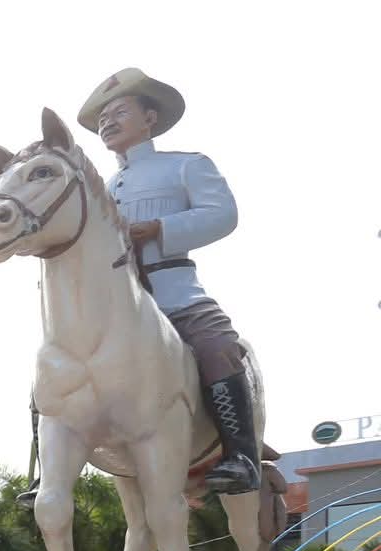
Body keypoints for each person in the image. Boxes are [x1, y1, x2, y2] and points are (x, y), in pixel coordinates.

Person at [81, 68, 258, 494]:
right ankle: (46, 474)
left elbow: (223, 215)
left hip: (175, 294)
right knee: (56, 364)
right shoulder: (100, 188)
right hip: (114, 305)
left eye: (119, 112)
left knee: (219, 347)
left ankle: (241, 457)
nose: (107, 122)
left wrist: (158, 228)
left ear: (150, 118)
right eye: (102, 118)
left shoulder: (185, 166)